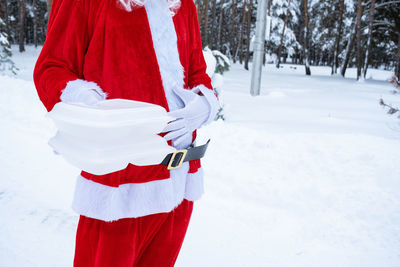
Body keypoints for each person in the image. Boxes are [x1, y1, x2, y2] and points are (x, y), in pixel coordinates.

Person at [33, 0, 220, 266]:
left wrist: (204, 103)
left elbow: (197, 72)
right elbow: (51, 69)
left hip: (181, 180)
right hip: (119, 189)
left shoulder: (183, 4)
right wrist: (90, 105)